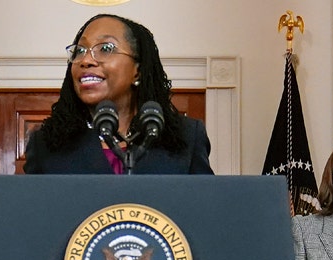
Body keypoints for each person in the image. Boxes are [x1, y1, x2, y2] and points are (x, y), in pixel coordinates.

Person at [24, 14, 213, 174]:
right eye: (80, 51)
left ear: (137, 71)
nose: (86, 60)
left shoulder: (186, 137)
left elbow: (205, 209)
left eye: (106, 48)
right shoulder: (46, 144)